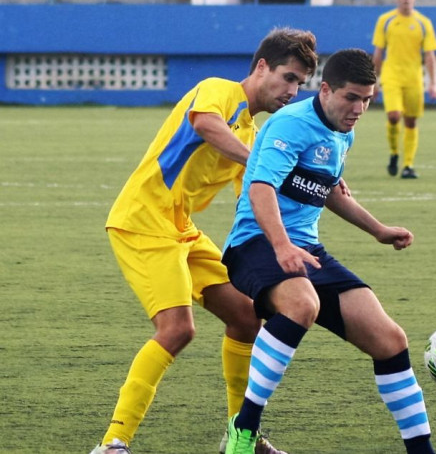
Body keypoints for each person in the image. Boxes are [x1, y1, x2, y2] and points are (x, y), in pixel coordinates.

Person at [91, 27, 319, 454]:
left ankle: (242, 438)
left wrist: (288, 236)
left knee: (248, 318)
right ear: (262, 67)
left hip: (181, 229)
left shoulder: (251, 131)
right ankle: (112, 443)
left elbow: (252, 202)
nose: (293, 90)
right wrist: (258, 161)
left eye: (300, 83)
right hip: (142, 220)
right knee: (177, 329)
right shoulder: (218, 91)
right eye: (288, 77)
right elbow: (206, 125)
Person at [221, 48, 436, 454]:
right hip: (255, 242)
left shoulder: (343, 131)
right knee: (302, 304)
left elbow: (328, 191)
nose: (359, 108)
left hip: (306, 249)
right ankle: (243, 430)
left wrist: (378, 230)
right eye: (352, 97)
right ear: (325, 90)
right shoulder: (290, 124)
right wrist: (282, 245)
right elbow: (260, 187)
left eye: (368, 99)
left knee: (389, 338)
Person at [372, 0, 436, 179]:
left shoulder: (423, 23)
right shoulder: (385, 21)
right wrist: (374, 81)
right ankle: (394, 153)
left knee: (410, 121)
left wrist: (434, 82)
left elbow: (429, 55)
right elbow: (378, 53)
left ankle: (408, 165)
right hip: (392, 76)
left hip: (413, 78)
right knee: (393, 116)